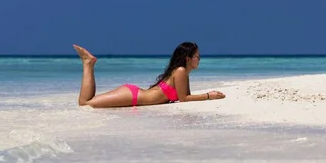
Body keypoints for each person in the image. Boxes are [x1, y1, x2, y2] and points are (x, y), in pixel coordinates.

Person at [72, 42, 226, 108]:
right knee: (85, 104)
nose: (199, 59)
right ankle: (88, 63)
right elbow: (184, 99)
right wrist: (208, 95)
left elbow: (184, 96)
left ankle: (88, 64)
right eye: (197, 56)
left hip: (134, 95)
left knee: (87, 103)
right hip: (133, 96)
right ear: (188, 59)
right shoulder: (180, 71)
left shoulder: (183, 73)